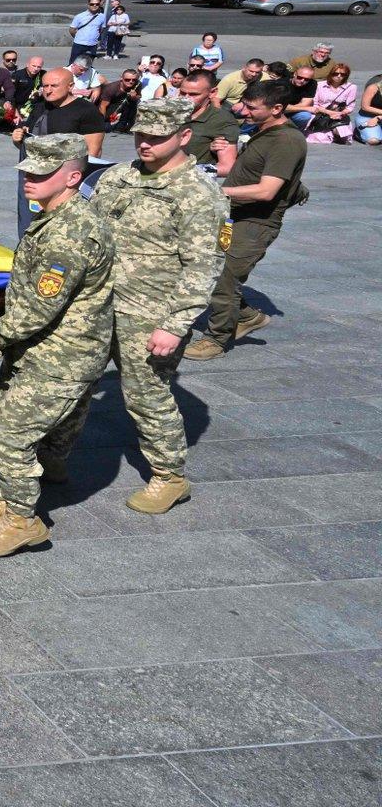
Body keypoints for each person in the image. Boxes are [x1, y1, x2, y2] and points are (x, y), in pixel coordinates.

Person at [0, 136, 117, 557]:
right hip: (41, 349)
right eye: (27, 170)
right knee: (8, 426)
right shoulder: (56, 217)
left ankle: (24, 520)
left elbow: (37, 310)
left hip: (62, 354)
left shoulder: (71, 233)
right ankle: (4, 503)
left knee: (8, 436)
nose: (28, 178)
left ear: (73, 177)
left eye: (41, 173)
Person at [83, 98, 228, 514]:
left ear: (184, 136)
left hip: (150, 314)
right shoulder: (118, 176)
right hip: (97, 304)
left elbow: (203, 267)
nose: (145, 144)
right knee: (73, 384)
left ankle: (169, 476)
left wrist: (176, 323)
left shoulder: (199, 194)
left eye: (157, 137)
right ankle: (54, 461)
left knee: (146, 395)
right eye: (140, 135)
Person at [188, 79, 307, 360]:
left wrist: (215, 190)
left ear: (277, 108)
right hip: (235, 215)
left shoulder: (286, 140)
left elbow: (267, 191)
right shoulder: (263, 132)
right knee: (215, 272)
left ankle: (217, 339)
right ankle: (247, 316)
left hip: (256, 223)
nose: (243, 111)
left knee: (224, 278)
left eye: (252, 107)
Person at [12, 67, 106, 159]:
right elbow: (30, 145)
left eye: (54, 86)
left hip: (68, 170)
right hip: (36, 168)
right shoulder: (40, 107)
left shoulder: (87, 110)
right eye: (45, 86)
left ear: (70, 86)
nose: (48, 90)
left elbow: (93, 153)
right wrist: (18, 140)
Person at [179, 70, 240, 175]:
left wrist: (187, 172)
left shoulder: (222, 121)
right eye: (182, 93)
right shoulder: (170, 112)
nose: (186, 98)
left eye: (194, 94)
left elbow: (227, 167)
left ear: (212, 93)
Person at [68, 0, 107, 66]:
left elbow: (102, 28)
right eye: (92, 4)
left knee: (88, 65)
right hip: (79, 44)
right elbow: (72, 30)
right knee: (73, 64)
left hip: (92, 45)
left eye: (97, 4)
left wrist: (95, 37)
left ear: (99, 5)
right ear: (88, 5)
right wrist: (78, 37)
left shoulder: (102, 17)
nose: (94, 6)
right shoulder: (79, 16)